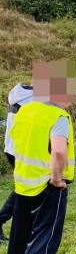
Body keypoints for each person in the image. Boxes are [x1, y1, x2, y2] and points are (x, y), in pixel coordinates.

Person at [6, 60, 76, 254]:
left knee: (20, 231)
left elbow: (15, 143)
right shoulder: (57, 116)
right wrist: (57, 180)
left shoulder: (24, 111)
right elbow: (58, 151)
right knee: (44, 237)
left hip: (23, 181)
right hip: (48, 186)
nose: (70, 98)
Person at [0, 83, 33, 243]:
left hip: (12, 148)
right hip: (21, 150)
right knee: (24, 190)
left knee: (24, 189)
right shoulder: (35, 100)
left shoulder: (19, 93)